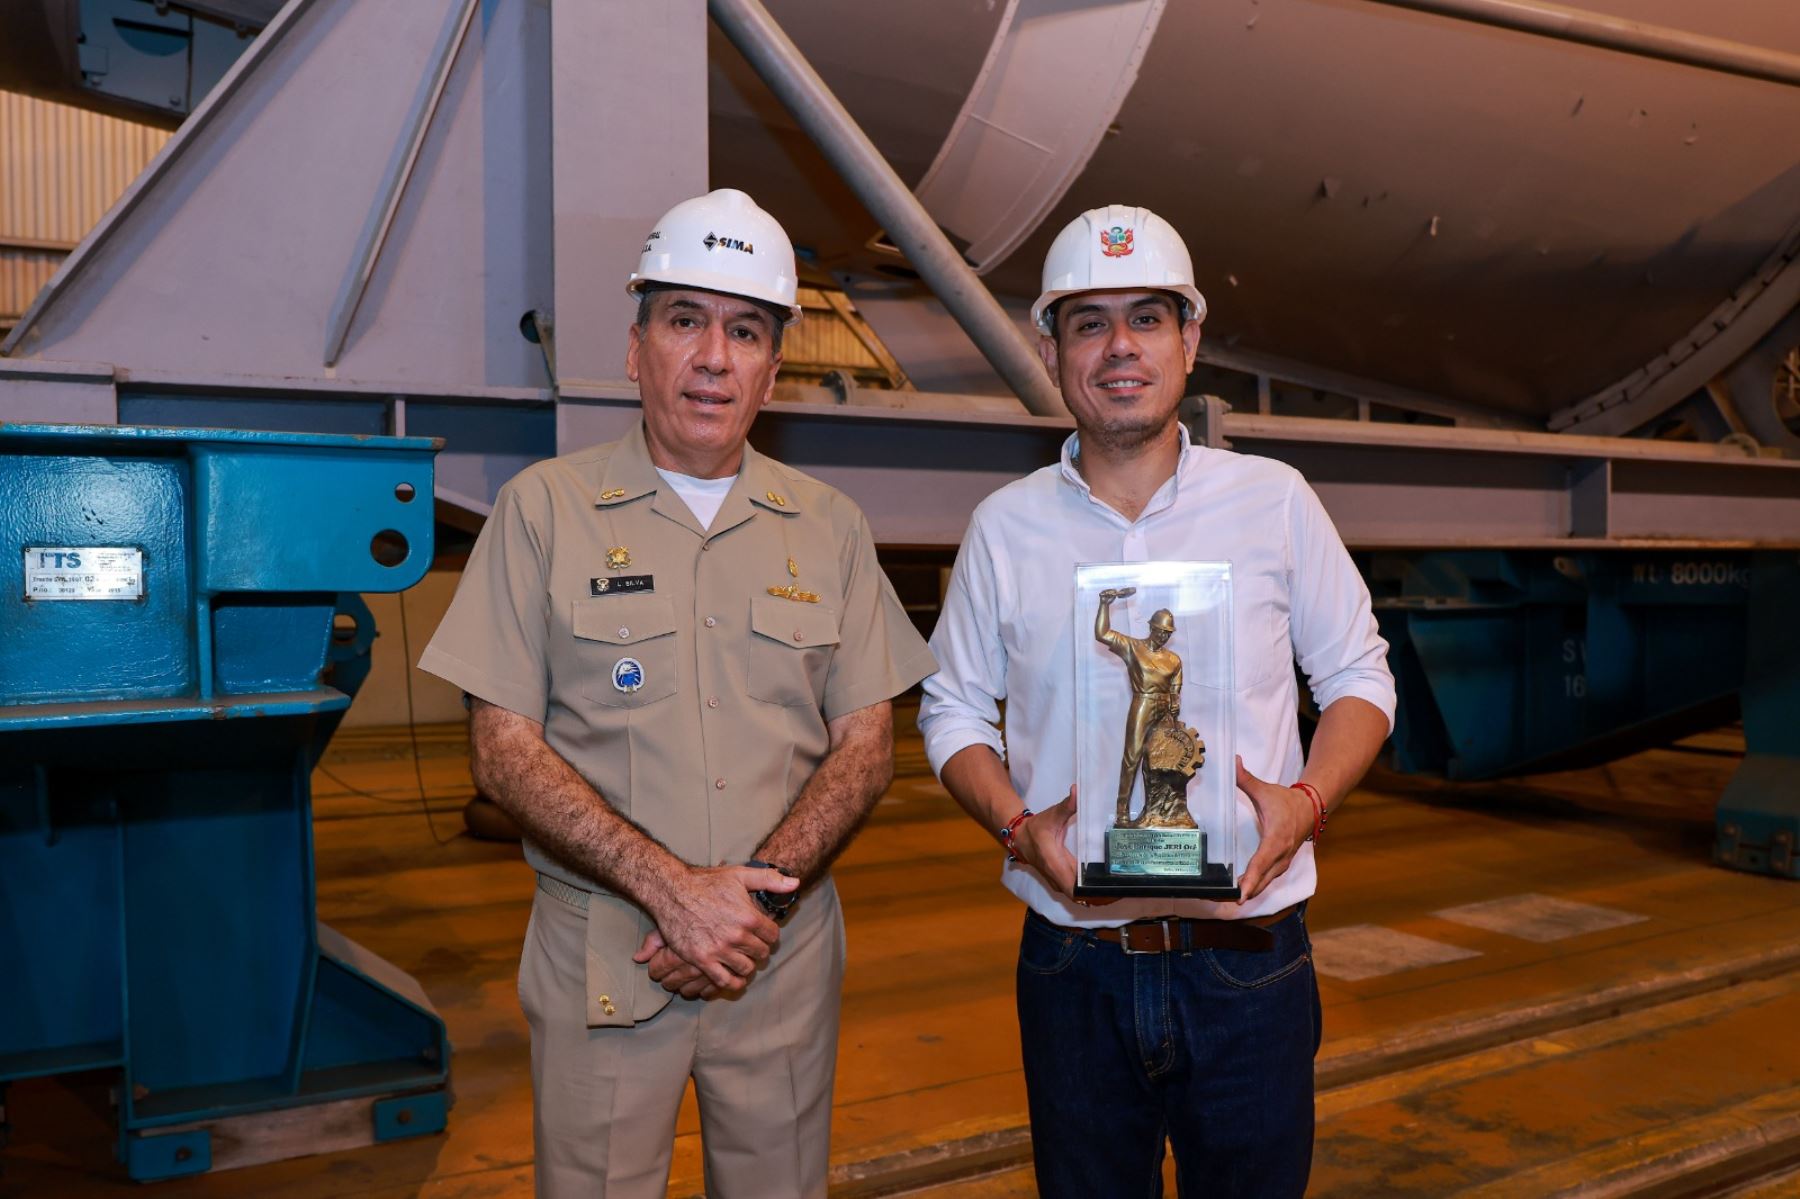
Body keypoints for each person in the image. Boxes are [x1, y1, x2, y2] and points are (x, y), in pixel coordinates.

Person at [419, 188, 935, 1199]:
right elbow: (505, 749)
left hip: (773, 960)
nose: (713, 356)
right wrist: (672, 891)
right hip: (608, 957)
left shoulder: (828, 525)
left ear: (774, 368)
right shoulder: (542, 512)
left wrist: (743, 904)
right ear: (635, 346)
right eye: (684, 320)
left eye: (745, 330)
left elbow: (865, 743)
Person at [917, 204, 1395, 1198]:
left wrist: (1304, 806)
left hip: (1249, 964)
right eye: (1089, 321)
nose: (1120, 346)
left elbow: (1358, 676)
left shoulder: (1274, 500)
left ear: (1190, 338)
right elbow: (952, 710)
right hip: (1071, 964)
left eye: (1147, 316)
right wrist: (1018, 828)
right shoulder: (1004, 529)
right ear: (1052, 348)